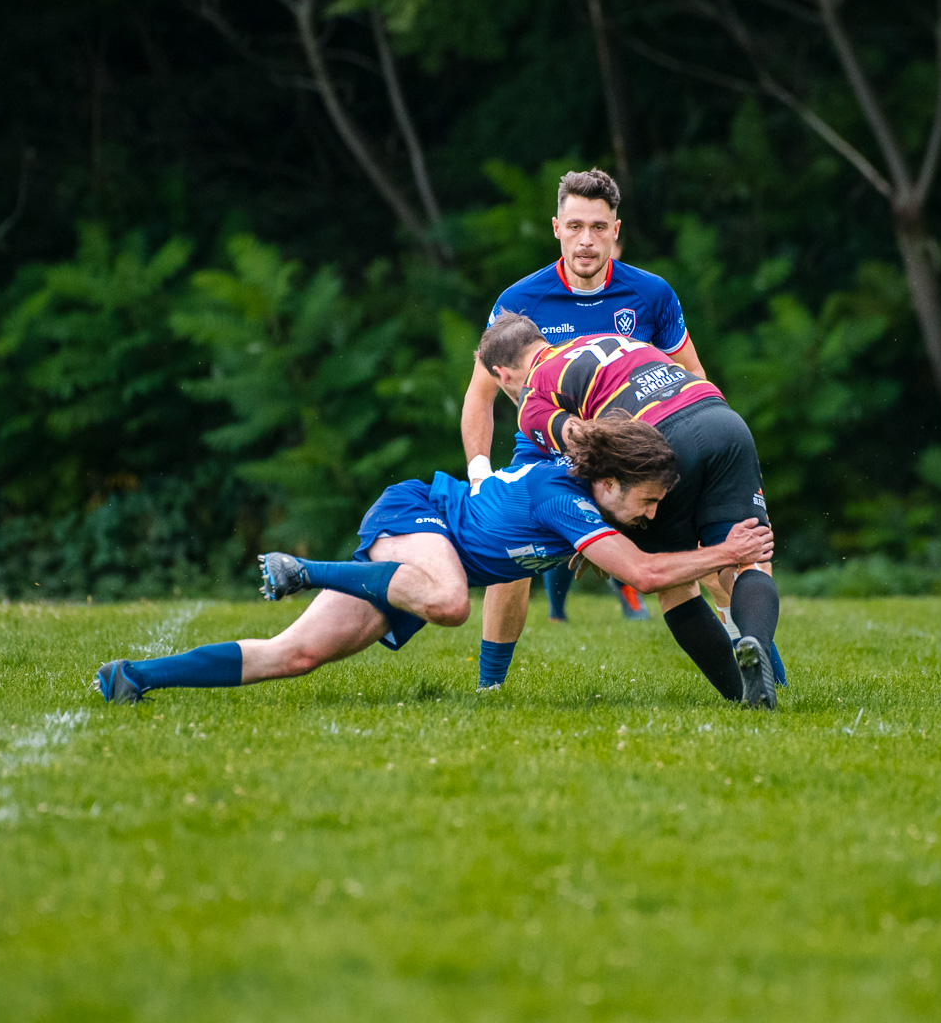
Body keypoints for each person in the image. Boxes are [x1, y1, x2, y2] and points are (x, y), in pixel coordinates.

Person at [91, 417, 772, 705]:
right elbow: (647, 576)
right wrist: (731, 552)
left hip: (422, 555)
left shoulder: (584, 492)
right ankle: (306, 569)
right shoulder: (567, 500)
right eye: (649, 503)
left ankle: (134, 678)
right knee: (449, 603)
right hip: (417, 520)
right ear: (610, 483)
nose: (654, 516)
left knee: (291, 655)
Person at [460, 168, 708, 673]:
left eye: (598, 227)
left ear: (616, 231)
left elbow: (693, 376)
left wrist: (713, 451)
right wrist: (480, 475)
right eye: (575, 226)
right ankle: (489, 688)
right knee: (509, 557)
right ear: (556, 228)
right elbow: (480, 395)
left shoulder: (651, 294)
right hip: (548, 455)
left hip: (634, 458)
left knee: (703, 547)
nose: (586, 240)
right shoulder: (520, 301)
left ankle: (757, 664)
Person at [478, 311, 787, 708]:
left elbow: (584, 442)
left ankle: (745, 696)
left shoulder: (533, 392)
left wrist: (592, 530)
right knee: (747, 554)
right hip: (723, 420)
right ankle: (755, 644)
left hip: (661, 440)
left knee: (676, 585)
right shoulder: (607, 340)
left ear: (502, 374)